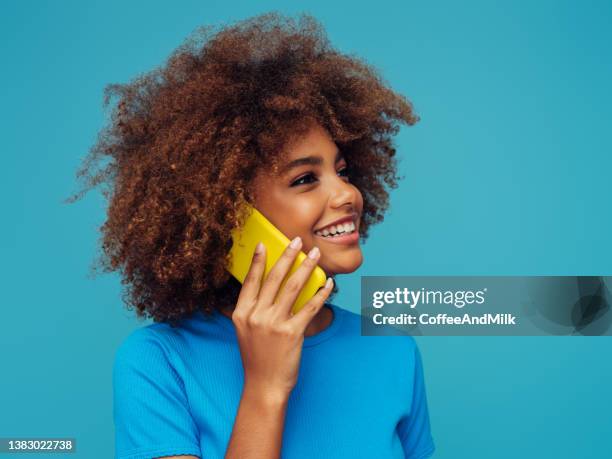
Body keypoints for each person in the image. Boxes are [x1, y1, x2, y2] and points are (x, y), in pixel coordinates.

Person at [67, 12, 435, 459]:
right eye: (305, 179)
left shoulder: (392, 350)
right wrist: (265, 388)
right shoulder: (158, 361)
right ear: (228, 216)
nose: (347, 194)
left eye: (341, 170)